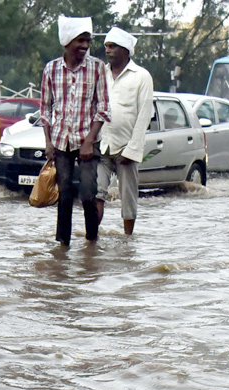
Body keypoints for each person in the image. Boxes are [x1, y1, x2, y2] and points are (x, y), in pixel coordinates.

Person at [40, 16, 110, 245]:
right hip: (60, 141)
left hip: (87, 140)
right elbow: (45, 109)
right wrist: (48, 143)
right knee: (65, 195)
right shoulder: (51, 69)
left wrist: (90, 141)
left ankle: (91, 243)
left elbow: (103, 108)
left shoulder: (97, 68)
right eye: (80, 41)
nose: (85, 46)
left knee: (89, 195)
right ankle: (62, 246)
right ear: (67, 42)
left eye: (87, 41)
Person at [96, 27, 154, 236]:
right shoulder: (100, 73)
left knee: (128, 199)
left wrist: (132, 150)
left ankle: (128, 241)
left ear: (126, 51)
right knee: (96, 193)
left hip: (126, 148)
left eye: (112, 47)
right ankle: (92, 238)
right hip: (102, 144)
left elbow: (144, 116)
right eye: (106, 46)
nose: (108, 51)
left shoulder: (141, 76)